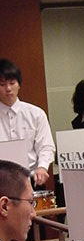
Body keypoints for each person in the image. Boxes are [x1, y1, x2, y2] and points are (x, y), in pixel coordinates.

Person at [0, 59, 55, 187]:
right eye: (2, 84)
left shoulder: (36, 114)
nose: (8, 88)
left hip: (31, 179)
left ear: (19, 84)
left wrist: (42, 167)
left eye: (12, 83)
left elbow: (46, 146)